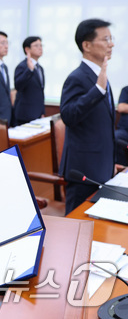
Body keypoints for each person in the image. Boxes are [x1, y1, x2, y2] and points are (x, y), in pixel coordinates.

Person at [60, 18, 116, 214]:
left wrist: (110, 163)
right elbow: (68, 115)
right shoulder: (77, 77)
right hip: (84, 171)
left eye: (111, 38)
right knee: (76, 228)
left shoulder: (100, 74)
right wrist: (97, 90)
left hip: (102, 168)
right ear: (86, 45)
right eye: (106, 39)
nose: (111, 44)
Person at [14, 36, 45, 125]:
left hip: (37, 114)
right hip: (25, 115)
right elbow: (18, 86)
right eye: (36, 45)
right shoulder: (22, 66)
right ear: (27, 49)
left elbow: (40, 91)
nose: (40, 48)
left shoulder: (40, 68)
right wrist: (29, 70)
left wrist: (42, 111)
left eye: (41, 45)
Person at [115, 86, 128, 166]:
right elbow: (121, 107)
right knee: (116, 137)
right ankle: (121, 167)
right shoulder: (126, 90)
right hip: (125, 131)